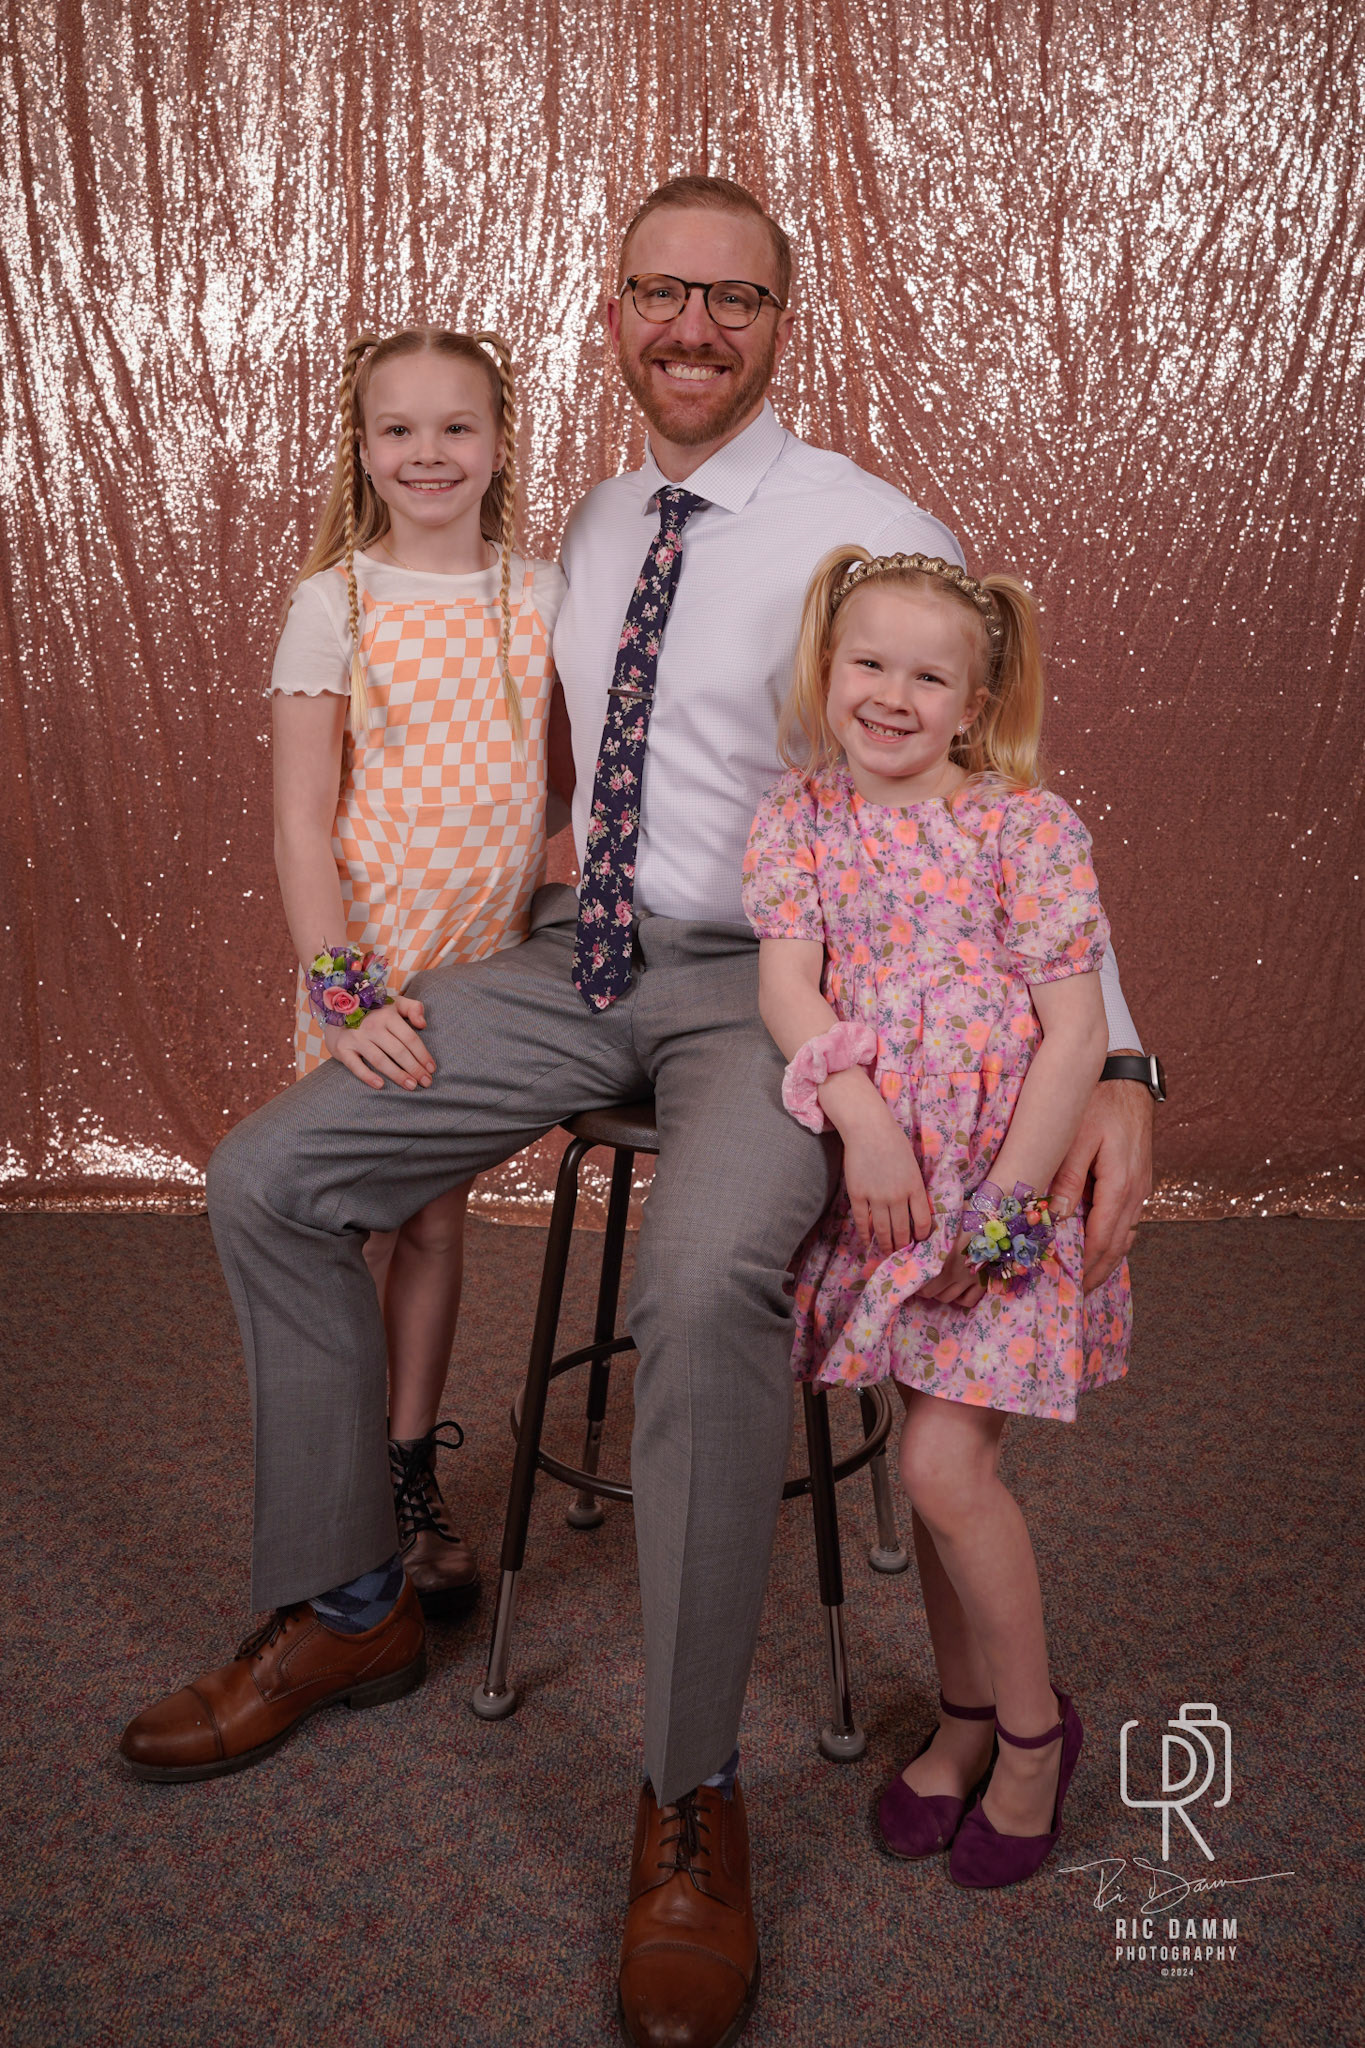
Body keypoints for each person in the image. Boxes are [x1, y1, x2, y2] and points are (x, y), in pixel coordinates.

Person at [117, 179, 1156, 2048]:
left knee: (694, 1290)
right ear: (610, 313)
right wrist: (379, 943)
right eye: (659, 294)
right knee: (271, 1174)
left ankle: (689, 1793)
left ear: (779, 321)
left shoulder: (867, 524)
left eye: (731, 299)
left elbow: (999, 788)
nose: (692, 328)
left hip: (776, 994)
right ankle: (346, 1596)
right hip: (573, 957)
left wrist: (1124, 1068)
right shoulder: (586, 526)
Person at [743, 545, 1130, 1892]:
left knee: (942, 1472)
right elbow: (789, 987)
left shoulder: (1024, 827)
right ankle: (964, 1721)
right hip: (892, 1184)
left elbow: (1074, 1032)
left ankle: (1031, 1736)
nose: (891, 697)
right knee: (929, 1457)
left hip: (997, 1192)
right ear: (826, 667)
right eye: (868, 663)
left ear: (974, 704)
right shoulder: (799, 817)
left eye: (927, 677)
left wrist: (1007, 1220)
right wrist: (859, 1120)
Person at [269, 324, 570, 1616]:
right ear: (363, 447)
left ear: (499, 445)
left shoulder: (542, 593)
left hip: (482, 965)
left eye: (457, 427)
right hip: (368, 968)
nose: (428, 453)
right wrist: (343, 993)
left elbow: (561, 783)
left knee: (439, 1220)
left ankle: (405, 1468)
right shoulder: (334, 602)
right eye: (399, 429)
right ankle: (338, 1486)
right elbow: (300, 823)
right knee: (360, 1223)